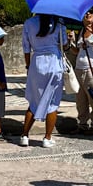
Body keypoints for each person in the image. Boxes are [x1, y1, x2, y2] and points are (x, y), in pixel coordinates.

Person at [20, 12, 66, 147]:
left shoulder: (29, 23)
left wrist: (28, 66)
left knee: (34, 100)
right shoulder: (59, 22)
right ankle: (47, 137)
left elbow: (26, 47)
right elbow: (64, 44)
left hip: (37, 62)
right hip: (53, 62)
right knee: (53, 101)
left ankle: (25, 135)